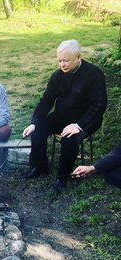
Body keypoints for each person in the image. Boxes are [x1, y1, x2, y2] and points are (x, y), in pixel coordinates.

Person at [22, 39, 107, 191]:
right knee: (38, 131)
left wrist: (79, 125)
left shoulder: (94, 74)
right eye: (59, 60)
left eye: (66, 60)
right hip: (61, 116)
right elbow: (46, 101)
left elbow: (99, 104)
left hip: (86, 119)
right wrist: (34, 122)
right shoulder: (57, 76)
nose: (62, 65)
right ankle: (40, 166)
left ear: (78, 57)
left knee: (69, 140)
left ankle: (63, 176)